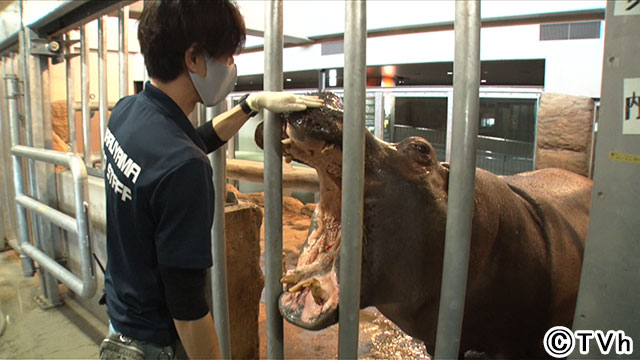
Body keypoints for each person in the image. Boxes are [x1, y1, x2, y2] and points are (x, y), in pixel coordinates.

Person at [101, 1, 322, 359]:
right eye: (227, 57)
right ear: (193, 58)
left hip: (120, 320)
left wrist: (250, 104)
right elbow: (188, 310)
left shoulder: (129, 112)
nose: (231, 68)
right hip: (155, 345)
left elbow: (193, 141)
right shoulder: (183, 168)